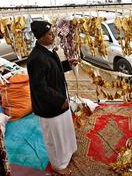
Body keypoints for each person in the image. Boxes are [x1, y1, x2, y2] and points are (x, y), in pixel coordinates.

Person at [27, 20, 77, 176]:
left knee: (64, 131)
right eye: (49, 34)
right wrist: (59, 100)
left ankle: (67, 154)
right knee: (54, 138)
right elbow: (39, 87)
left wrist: (68, 65)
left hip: (59, 101)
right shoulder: (36, 58)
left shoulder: (48, 51)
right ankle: (58, 165)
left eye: (52, 32)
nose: (53, 35)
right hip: (50, 105)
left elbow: (54, 68)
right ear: (40, 37)